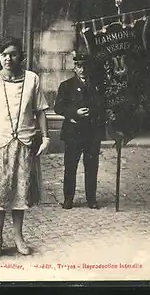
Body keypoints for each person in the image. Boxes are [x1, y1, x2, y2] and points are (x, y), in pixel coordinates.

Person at [0, 37, 50, 258]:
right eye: (3, 54)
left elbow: (40, 110)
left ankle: (18, 237)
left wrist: (45, 137)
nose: (8, 58)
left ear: (21, 56)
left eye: (13, 54)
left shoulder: (32, 79)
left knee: (21, 193)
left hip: (24, 143)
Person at [54, 52, 106, 210]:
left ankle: (92, 200)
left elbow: (103, 106)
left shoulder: (98, 86)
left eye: (85, 66)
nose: (82, 69)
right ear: (74, 67)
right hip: (73, 133)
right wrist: (74, 113)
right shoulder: (66, 85)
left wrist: (94, 112)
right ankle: (68, 199)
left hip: (92, 133)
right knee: (70, 166)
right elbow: (58, 107)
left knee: (92, 166)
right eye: (79, 66)